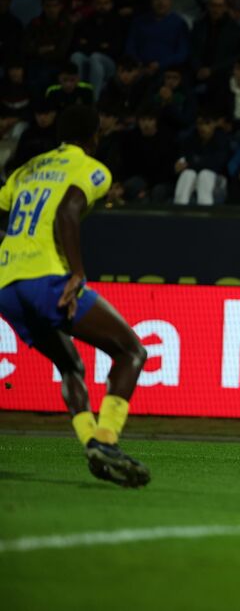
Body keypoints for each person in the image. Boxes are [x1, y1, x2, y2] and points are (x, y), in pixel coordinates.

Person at [0, 104, 150, 487]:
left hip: (6, 285)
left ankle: (91, 443)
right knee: (131, 351)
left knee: (70, 365)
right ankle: (108, 440)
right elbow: (68, 211)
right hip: (46, 279)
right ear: (95, 134)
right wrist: (77, 272)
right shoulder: (90, 168)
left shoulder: (26, 169)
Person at [173, 110, 231, 206]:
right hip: (194, 175)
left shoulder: (222, 140)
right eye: (200, 124)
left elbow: (216, 165)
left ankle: (205, 211)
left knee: (205, 174)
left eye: (207, 123)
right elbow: (183, 161)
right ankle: (179, 209)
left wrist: (193, 163)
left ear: (214, 124)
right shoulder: (191, 139)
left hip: (216, 179)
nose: (203, 127)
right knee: (188, 174)